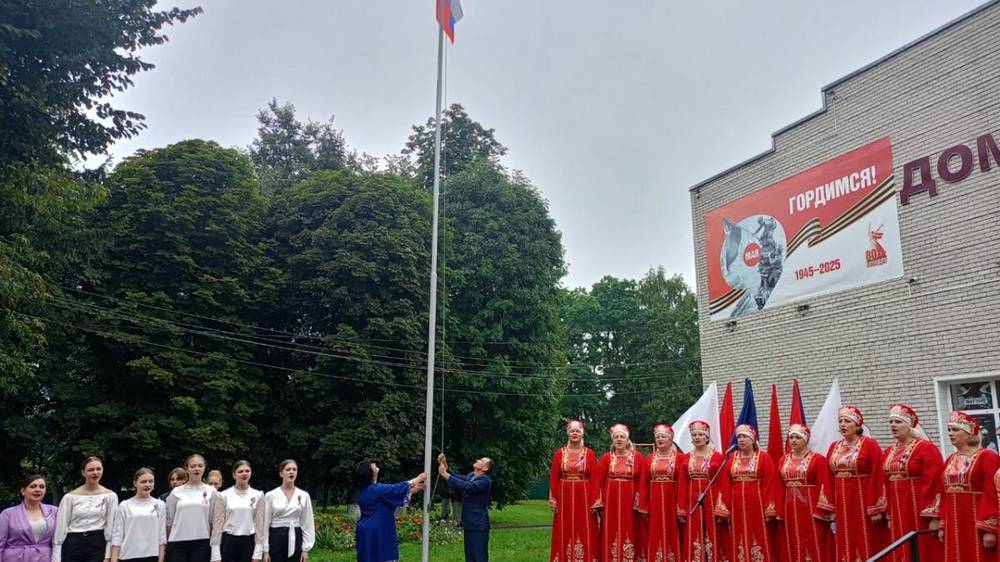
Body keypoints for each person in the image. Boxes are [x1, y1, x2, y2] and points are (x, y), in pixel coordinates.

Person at [817, 405, 888, 562]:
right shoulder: (834, 447)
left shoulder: (870, 445)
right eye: (840, 421)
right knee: (844, 536)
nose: (842, 424)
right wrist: (830, 507)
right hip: (842, 502)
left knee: (866, 536)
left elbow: (878, 475)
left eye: (847, 421)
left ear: (858, 425)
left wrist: (875, 507)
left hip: (862, 500)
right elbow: (828, 477)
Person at [927, 411, 1000, 562]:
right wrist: (943, 524)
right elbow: (944, 494)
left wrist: (989, 528)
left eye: (955, 430)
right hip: (954, 521)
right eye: (949, 430)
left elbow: (992, 493)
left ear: (969, 434)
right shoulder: (950, 459)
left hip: (976, 521)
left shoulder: (987, 457)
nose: (950, 433)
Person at [881, 404, 943, 562]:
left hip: (917, 508)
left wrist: (934, 515)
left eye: (898, 422)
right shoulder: (889, 451)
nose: (893, 425)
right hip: (897, 508)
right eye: (891, 422)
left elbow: (935, 481)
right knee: (900, 545)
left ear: (909, 425)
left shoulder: (925, 448)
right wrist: (889, 514)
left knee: (921, 547)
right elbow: (885, 483)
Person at [715, 424, 778, 562]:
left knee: (759, 534)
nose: (742, 440)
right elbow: (725, 483)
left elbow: (770, 483)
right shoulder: (731, 458)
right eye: (739, 437)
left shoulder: (764, 457)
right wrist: (723, 509)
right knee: (739, 535)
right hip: (737, 505)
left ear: (753, 439)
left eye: (745, 437)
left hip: (757, 505)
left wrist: (770, 509)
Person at [777, 424, 832, 562]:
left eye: (798, 437)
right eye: (791, 437)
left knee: (814, 539)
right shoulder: (783, 460)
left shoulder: (817, 459)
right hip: (789, 508)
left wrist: (823, 510)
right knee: (792, 539)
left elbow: (825, 484)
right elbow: (779, 486)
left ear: (806, 440)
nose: (793, 441)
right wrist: (779, 511)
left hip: (811, 508)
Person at [352, 460, 426, 562]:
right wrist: (418, 479)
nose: (373, 464)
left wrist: (412, 491)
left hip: (365, 532)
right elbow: (396, 489)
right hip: (378, 532)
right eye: (371, 465)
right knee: (383, 557)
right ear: (370, 472)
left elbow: (386, 502)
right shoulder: (377, 489)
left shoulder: (364, 490)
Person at [548, 420, 599, 562]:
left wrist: (595, 500)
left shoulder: (589, 454)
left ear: (582, 434)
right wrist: (553, 498)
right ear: (568, 434)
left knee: (585, 527)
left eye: (578, 431)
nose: (575, 433)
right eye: (572, 431)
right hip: (564, 495)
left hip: (584, 496)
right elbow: (553, 477)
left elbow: (595, 478)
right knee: (563, 527)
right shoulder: (559, 453)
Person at [593, 424, 644, 562]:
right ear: (613, 440)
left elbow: (643, 479)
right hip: (611, 502)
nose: (619, 439)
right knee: (610, 529)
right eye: (616, 437)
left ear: (627, 440)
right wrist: (600, 502)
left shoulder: (638, 457)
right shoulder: (606, 458)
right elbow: (599, 480)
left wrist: (639, 499)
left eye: (622, 437)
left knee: (632, 528)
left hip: (631, 501)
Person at [53, 457, 119, 562]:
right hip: (73, 543)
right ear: (83, 472)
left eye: (98, 469)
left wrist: (107, 556)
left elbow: (111, 527)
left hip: (98, 543)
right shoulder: (70, 497)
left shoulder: (110, 496)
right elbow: (61, 527)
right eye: (91, 470)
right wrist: (56, 558)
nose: (95, 473)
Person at [681, 420, 728, 562]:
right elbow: (683, 483)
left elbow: (722, 482)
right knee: (694, 532)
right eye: (694, 435)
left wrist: (722, 507)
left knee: (714, 532)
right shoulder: (686, 457)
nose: (697, 437)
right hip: (692, 502)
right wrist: (681, 508)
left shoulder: (718, 456)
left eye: (700, 435)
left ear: (707, 437)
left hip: (712, 500)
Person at [637, 423, 685, 562]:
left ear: (671, 439)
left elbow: (683, 483)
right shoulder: (650, 458)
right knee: (655, 530)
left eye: (663, 436)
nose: (660, 439)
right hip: (655, 501)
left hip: (673, 499)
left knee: (674, 530)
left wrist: (681, 506)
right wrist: (643, 505)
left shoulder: (680, 458)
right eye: (658, 437)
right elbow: (644, 482)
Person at [437, 452, 493, 562]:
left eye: (481, 460)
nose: (478, 459)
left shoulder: (486, 481)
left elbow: (466, 487)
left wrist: (445, 475)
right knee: (470, 558)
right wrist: (445, 465)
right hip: (469, 524)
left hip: (478, 526)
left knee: (479, 557)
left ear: (485, 468)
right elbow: (457, 478)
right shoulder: (472, 475)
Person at [165, 454, 219, 562]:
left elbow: (213, 520)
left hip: (202, 542)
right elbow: (169, 521)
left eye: (200, 466)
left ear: (204, 467)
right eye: (193, 466)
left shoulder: (211, 491)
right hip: (177, 543)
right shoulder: (176, 492)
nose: (196, 469)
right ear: (187, 468)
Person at [259, 460, 314, 562]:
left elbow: (307, 522)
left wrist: (305, 549)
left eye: (294, 469)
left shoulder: (303, 495)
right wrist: (265, 550)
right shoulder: (271, 495)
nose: (291, 472)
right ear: (281, 473)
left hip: (296, 536)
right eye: (288, 469)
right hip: (276, 537)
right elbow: (265, 523)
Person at [110, 468, 166, 562]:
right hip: (128, 555)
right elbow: (117, 535)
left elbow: (162, 535)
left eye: (150, 481)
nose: (147, 485)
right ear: (135, 483)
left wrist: (161, 559)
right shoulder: (124, 506)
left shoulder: (160, 505)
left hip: (151, 555)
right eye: (143, 482)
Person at [210, 461, 262, 562]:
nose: (244, 474)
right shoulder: (223, 495)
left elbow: (259, 525)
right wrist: (215, 554)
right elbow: (217, 525)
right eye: (240, 471)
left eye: (247, 471)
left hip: (249, 541)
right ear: (234, 475)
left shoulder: (258, 495)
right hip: (228, 542)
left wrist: (258, 552)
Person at [0, 474, 58, 562]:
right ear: (23, 491)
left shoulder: (54, 511)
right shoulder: (8, 514)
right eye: (33, 486)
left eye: (42, 487)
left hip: (45, 558)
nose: (38, 489)